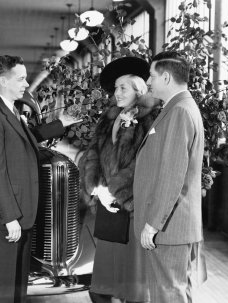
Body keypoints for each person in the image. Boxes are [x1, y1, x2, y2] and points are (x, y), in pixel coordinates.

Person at [0, 55, 79, 303]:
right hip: (5, 218)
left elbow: (26, 137)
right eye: (20, 78)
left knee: (16, 288)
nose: (25, 84)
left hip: (22, 215)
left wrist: (60, 123)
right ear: (2, 80)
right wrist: (9, 216)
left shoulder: (9, 111)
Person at [79, 56, 161, 303]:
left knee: (133, 285)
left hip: (134, 207)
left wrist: (115, 189)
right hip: (108, 207)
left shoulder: (152, 118)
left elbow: (147, 162)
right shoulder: (108, 118)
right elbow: (91, 152)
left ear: (138, 89)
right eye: (115, 88)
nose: (116, 93)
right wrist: (96, 189)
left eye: (122, 87)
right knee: (102, 285)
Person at [133, 51, 205, 303]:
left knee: (168, 293)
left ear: (165, 78)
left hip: (169, 227)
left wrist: (153, 224)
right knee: (172, 291)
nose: (148, 82)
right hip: (171, 225)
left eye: (151, 76)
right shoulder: (177, 107)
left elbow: (172, 174)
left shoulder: (179, 112)